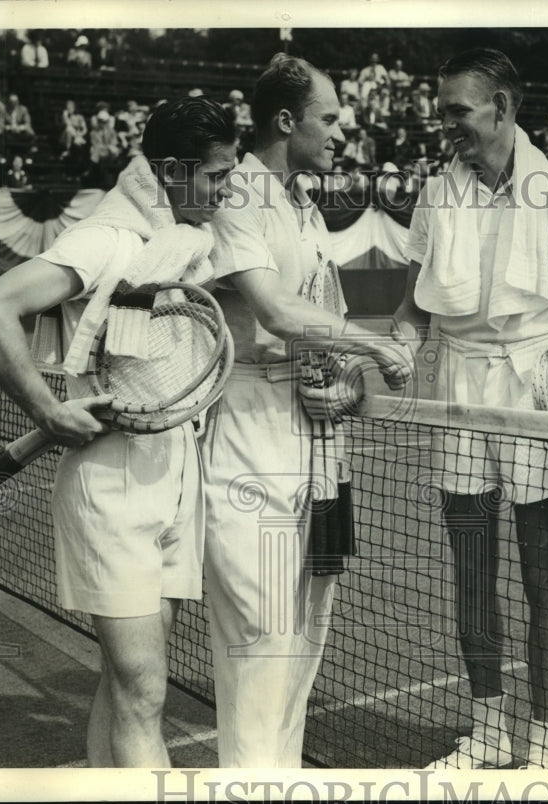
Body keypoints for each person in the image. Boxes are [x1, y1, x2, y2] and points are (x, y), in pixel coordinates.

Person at [0, 96, 238, 768]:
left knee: (125, 683)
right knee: (145, 691)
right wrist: (45, 411)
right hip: (110, 486)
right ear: (171, 171)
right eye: (216, 175)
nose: (228, 190)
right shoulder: (105, 239)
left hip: (173, 471)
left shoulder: (179, 240)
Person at [392, 47, 548, 770]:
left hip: (536, 392)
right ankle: (487, 734)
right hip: (458, 391)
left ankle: (541, 747)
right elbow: (413, 310)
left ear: (504, 109)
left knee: (544, 576)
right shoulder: (433, 191)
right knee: (471, 569)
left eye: (459, 110)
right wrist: (392, 349)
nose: (444, 122)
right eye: (442, 108)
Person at [205, 52, 415, 768]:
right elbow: (273, 308)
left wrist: (352, 379)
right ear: (286, 120)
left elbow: (324, 313)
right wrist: (370, 345)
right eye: (328, 119)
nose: (340, 134)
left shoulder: (306, 204)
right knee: (260, 640)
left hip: (320, 452)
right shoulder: (236, 194)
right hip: (248, 443)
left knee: (306, 631)